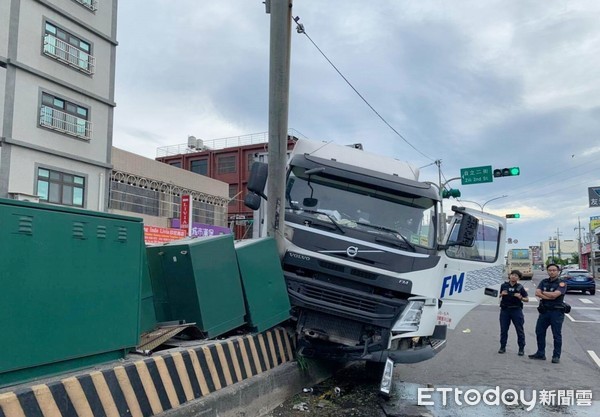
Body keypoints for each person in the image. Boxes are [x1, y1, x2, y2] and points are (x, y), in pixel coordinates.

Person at [529, 263, 567, 363]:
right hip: (544, 311)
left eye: (554, 270)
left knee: (556, 335)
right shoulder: (544, 281)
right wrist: (549, 296)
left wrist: (544, 293)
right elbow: (537, 293)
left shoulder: (561, 283)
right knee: (539, 332)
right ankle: (540, 353)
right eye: (550, 270)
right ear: (547, 271)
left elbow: (555, 295)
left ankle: (556, 356)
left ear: (558, 271)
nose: (552, 272)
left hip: (556, 312)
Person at [498, 270, 529, 355]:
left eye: (516, 276)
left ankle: (521, 348)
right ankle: (502, 347)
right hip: (505, 310)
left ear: (518, 278)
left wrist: (521, 297)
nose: (513, 277)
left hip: (516, 310)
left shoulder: (520, 287)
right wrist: (501, 294)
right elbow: (495, 295)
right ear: (509, 276)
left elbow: (527, 299)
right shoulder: (503, 286)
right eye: (512, 275)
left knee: (519, 330)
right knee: (504, 330)